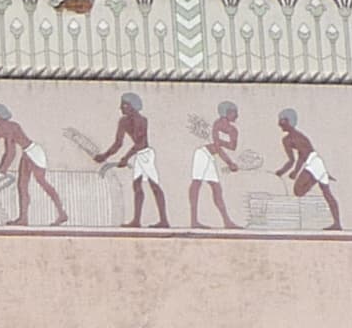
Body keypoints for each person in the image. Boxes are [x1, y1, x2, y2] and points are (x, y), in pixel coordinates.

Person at [0, 103, 66, 226]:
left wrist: (1, 167)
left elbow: (9, 151)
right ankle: (23, 219)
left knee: (42, 182)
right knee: (22, 186)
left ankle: (61, 214)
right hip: (27, 154)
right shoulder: (3, 128)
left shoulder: (7, 127)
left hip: (33, 153)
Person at [93, 93, 169, 227]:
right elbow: (118, 143)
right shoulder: (123, 122)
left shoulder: (142, 120)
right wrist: (104, 156)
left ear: (132, 106)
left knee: (154, 186)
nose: (121, 108)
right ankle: (136, 221)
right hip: (138, 155)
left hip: (145, 154)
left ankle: (164, 221)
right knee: (137, 186)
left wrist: (126, 158)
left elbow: (141, 142)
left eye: (124, 105)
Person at [277, 108, 343, 229]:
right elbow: (293, 159)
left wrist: (295, 172)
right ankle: (337, 223)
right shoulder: (286, 140)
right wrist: (285, 172)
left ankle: (337, 223)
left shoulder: (297, 137)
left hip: (314, 162)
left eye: (282, 121)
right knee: (325, 193)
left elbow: (303, 155)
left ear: (289, 121)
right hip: (313, 163)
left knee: (299, 191)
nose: (279, 124)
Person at [187, 100, 243, 229]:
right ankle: (194, 221)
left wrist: (221, 142)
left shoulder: (233, 129)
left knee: (217, 189)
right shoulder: (217, 124)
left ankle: (227, 222)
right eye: (234, 112)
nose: (236, 115)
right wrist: (229, 163)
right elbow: (218, 147)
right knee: (196, 184)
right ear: (227, 113)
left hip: (210, 157)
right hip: (203, 154)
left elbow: (232, 146)